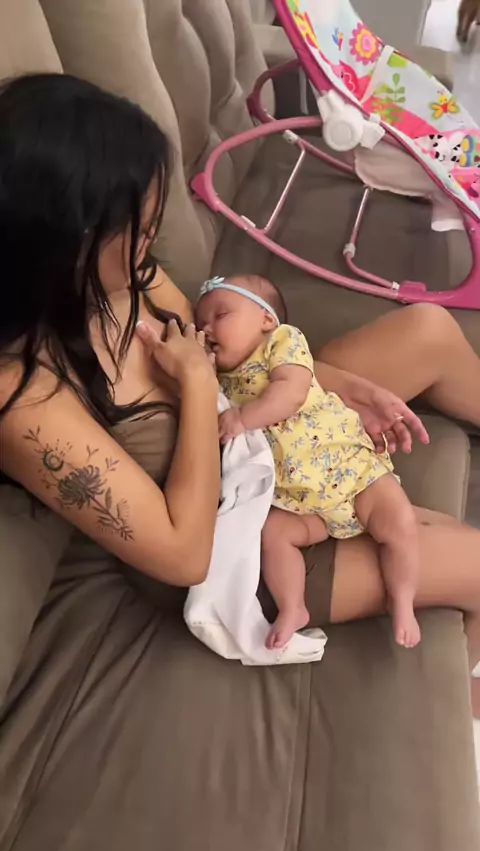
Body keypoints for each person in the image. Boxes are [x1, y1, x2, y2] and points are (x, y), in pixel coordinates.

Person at [0, 74, 480, 713]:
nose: (152, 237)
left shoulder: (127, 278)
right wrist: (199, 390)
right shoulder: (23, 394)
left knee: (428, 331)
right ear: (71, 237)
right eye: (137, 226)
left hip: (259, 427)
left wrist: (327, 384)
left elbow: (227, 359)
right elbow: (183, 555)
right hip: (240, 539)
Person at [196, 275, 420, 650]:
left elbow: (291, 394)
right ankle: (292, 607)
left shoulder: (282, 343)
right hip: (298, 502)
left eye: (220, 315)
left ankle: (403, 601)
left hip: (351, 472)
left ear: (266, 320)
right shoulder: (220, 379)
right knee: (274, 535)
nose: (207, 329)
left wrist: (242, 418)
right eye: (201, 323)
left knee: (400, 526)